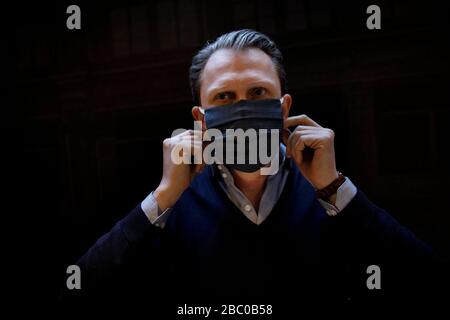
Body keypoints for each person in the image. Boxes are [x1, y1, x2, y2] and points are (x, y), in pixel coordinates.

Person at [74, 29, 437, 310]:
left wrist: (334, 190)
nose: (243, 108)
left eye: (258, 92)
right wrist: (162, 198)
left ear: (283, 107)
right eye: (224, 97)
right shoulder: (173, 202)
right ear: (200, 118)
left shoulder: (330, 194)